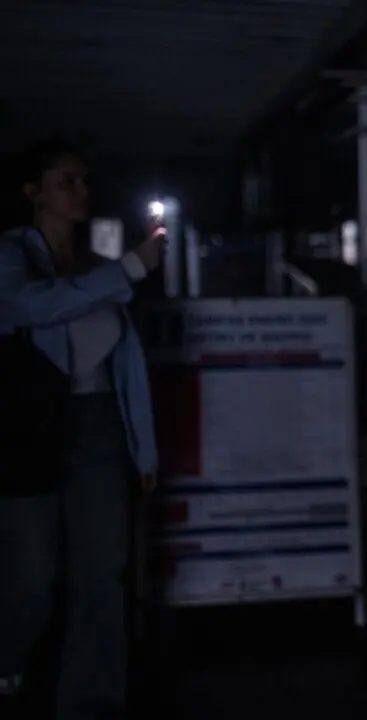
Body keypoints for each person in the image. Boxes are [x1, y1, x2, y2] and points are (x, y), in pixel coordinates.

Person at [0, 139, 165, 720]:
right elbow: (27, 306)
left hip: (97, 427)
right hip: (29, 429)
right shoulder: (12, 257)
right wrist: (129, 269)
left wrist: (143, 449)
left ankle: (91, 701)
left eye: (85, 181)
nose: (81, 192)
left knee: (102, 572)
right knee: (31, 580)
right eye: (66, 180)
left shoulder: (96, 271)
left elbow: (126, 367)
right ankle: (7, 665)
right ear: (33, 192)